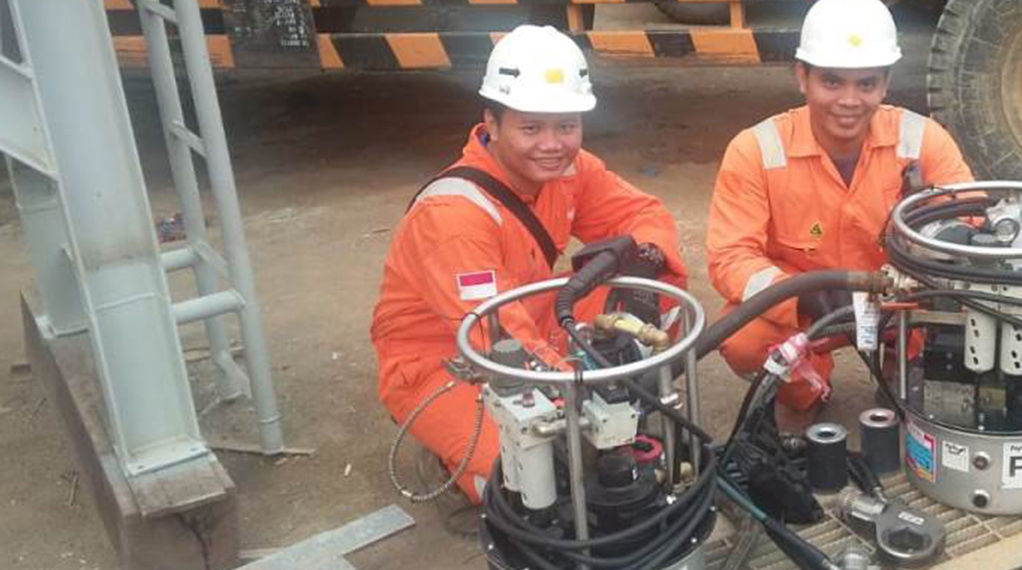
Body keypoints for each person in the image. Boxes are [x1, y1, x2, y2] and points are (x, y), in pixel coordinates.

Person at [371, 25, 686, 503]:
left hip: (529, 316)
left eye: (566, 126)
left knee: (662, 302)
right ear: (492, 123)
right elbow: (497, 335)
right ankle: (457, 455)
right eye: (531, 127)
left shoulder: (569, 169)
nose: (552, 143)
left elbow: (643, 215)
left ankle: (603, 423)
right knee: (535, 477)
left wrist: (644, 266)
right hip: (446, 359)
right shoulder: (453, 215)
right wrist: (581, 396)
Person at [706, 0, 975, 426]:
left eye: (866, 83)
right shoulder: (755, 150)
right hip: (807, 314)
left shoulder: (924, 141)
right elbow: (730, 258)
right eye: (832, 81)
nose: (849, 101)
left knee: (974, 316)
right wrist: (800, 293)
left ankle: (904, 372)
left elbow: (970, 231)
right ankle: (808, 387)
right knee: (743, 338)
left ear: (885, 84)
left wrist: (928, 282)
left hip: (902, 308)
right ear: (802, 77)